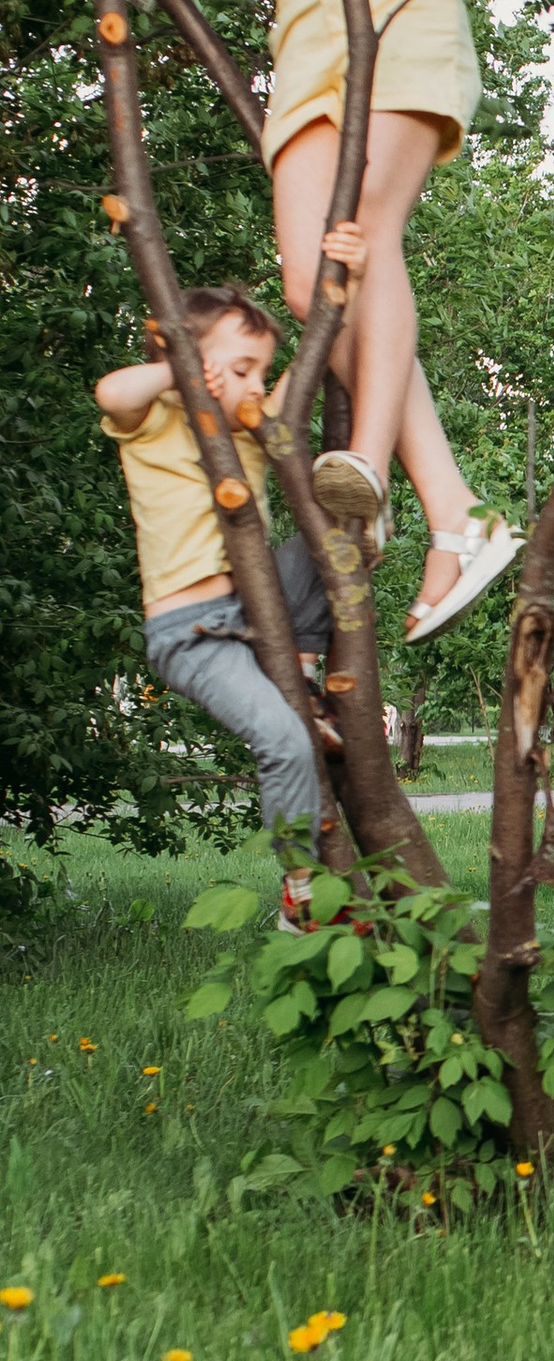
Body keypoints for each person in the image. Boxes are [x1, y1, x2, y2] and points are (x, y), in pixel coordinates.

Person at [41, 0, 518, 641]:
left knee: (369, 237)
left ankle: (378, 473)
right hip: (302, 22)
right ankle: (453, 505)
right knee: (310, 279)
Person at [98, 277, 352, 915]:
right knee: (284, 742)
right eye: (242, 368)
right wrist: (175, 373)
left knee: (335, 537)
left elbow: (310, 363)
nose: (257, 385)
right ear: (189, 359)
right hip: (192, 633)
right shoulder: (154, 419)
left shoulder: (252, 434)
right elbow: (112, 391)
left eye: (262, 371)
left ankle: (302, 674)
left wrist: (342, 282)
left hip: (260, 612)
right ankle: (301, 892)